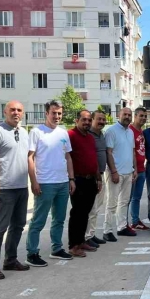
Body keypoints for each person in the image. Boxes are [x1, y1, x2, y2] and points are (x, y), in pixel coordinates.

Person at [0, 100, 30, 280]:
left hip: (21, 187)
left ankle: (10, 259)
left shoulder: (24, 132)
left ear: (23, 113)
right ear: (5, 111)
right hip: (5, 189)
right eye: (12, 110)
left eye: (19, 110)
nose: (16, 112)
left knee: (18, 226)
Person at [26, 100, 76, 267]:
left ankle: (57, 248)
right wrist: (34, 181)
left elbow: (68, 157)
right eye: (53, 113)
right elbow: (30, 158)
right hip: (45, 183)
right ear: (46, 113)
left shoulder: (63, 133)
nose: (56, 116)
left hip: (62, 182)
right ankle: (32, 253)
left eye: (59, 113)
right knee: (38, 220)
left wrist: (71, 179)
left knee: (59, 219)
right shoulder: (36, 132)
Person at [67, 110, 102, 258]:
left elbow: (93, 159)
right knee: (77, 213)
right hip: (78, 180)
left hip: (91, 180)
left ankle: (81, 241)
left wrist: (98, 178)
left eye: (89, 120)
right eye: (84, 120)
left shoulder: (90, 137)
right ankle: (73, 245)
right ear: (77, 120)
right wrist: (71, 179)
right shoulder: (70, 135)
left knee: (85, 213)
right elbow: (67, 158)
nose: (87, 122)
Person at [104, 108, 138, 239]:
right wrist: (113, 171)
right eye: (125, 114)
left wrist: (134, 169)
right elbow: (109, 152)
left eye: (129, 115)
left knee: (124, 202)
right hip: (115, 173)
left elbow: (132, 151)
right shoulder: (111, 131)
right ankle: (107, 231)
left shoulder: (130, 132)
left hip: (128, 173)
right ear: (119, 115)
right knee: (112, 203)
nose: (127, 117)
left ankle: (122, 227)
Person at [85, 110, 108, 247]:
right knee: (91, 208)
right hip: (93, 176)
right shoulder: (88, 135)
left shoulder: (102, 135)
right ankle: (87, 236)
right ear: (92, 119)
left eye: (103, 119)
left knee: (97, 207)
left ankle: (91, 234)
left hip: (101, 174)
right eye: (98, 119)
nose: (101, 122)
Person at [129, 107, 149, 230]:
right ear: (135, 116)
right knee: (128, 198)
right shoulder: (130, 131)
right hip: (133, 170)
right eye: (141, 116)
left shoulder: (141, 131)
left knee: (137, 197)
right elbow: (131, 151)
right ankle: (124, 224)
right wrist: (133, 168)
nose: (143, 118)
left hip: (142, 169)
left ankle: (135, 221)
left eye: (145, 116)